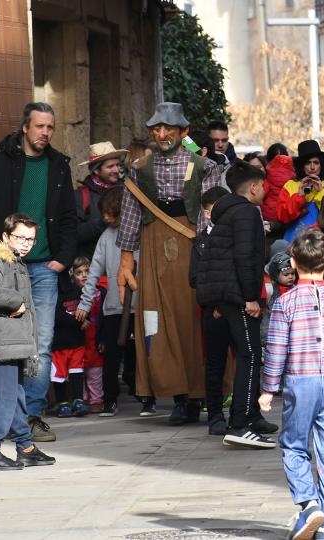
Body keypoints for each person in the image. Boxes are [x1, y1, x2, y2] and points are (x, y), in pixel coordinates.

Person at [0, 102, 77, 443]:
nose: (46, 133)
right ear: (25, 127)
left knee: (39, 342)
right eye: (40, 126)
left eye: (50, 127)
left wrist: (63, 258)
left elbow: (69, 218)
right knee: (1, 345)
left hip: (43, 268)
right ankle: (3, 420)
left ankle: (32, 416)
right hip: (1, 265)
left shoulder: (58, 166)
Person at [117, 102, 225, 423]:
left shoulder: (204, 166)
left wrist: (212, 247)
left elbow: (211, 211)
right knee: (159, 319)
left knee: (193, 317)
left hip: (193, 244)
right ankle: (179, 395)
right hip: (152, 247)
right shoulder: (139, 168)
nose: (162, 134)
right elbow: (130, 214)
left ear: (182, 132)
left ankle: (201, 394)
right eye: (156, 129)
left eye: (169, 129)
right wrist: (126, 260)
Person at [259, 228, 324, 540]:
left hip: (300, 382)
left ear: (292, 262)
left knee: (294, 444)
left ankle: (308, 503)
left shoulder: (285, 302)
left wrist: (268, 389)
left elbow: (277, 349)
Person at [193, 160, 275, 448]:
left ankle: (248, 418)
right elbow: (246, 258)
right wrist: (251, 297)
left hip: (223, 295)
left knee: (244, 355)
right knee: (250, 355)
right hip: (238, 296)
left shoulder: (224, 214)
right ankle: (240, 424)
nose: (264, 191)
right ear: (253, 188)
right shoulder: (246, 213)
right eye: (263, 186)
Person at [0, 213, 56, 471]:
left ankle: (25, 448)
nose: (26, 243)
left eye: (31, 239)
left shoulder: (15, 263)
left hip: (9, 341)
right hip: (2, 343)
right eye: (20, 237)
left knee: (15, 396)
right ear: (6, 237)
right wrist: (14, 300)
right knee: (3, 397)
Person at [191, 185, 257, 436]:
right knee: (216, 362)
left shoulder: (234, 232)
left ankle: (250, 413)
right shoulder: (200, 241)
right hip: (214, 309)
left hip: (235, 304)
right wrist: (215, 302)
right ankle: (216, 414)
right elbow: (195, 277)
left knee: (246, 357)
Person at [75, 188, 136, 417]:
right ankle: (110, 399)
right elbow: (93, 273)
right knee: (111, 354)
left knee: (143, 353)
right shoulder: (106, 236)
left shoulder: (139, 233)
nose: (106, 219)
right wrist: (84, 303)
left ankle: (146, 396)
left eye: (111, 214)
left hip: (140, 305)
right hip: (112, 306)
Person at [50, 256, 97, 417]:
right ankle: (62, 403)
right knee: (59, 375)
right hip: (59, 343)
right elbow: (57, 316)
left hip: (77, 341)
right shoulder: (53, 294)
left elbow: (88, 307)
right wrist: (79, 321)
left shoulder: (78, 291)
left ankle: (78, 400)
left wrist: (86, 318)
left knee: (77, 372)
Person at [276, 140, 324, 240]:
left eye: (316, 162)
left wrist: (321, 193)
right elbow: (283, 217)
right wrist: (299, 196)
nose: (312, 167)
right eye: (308, 163)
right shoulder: (290, 185)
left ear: (321, 165)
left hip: (322, 241)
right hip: (294, 242)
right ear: (302, 166)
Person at [75, 141, 127, 260]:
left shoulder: (126, 191)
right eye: (110, 166)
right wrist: (103, 222)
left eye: (117, 165)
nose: (116, 170)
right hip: (92, 267)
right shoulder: (81, 195)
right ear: (96, 170)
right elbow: (74, 233)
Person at [261, 152, 296, 241]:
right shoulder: (291, 182)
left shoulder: (268, 180)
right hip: (284, 215)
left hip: (268, 215)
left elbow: (262, 194)